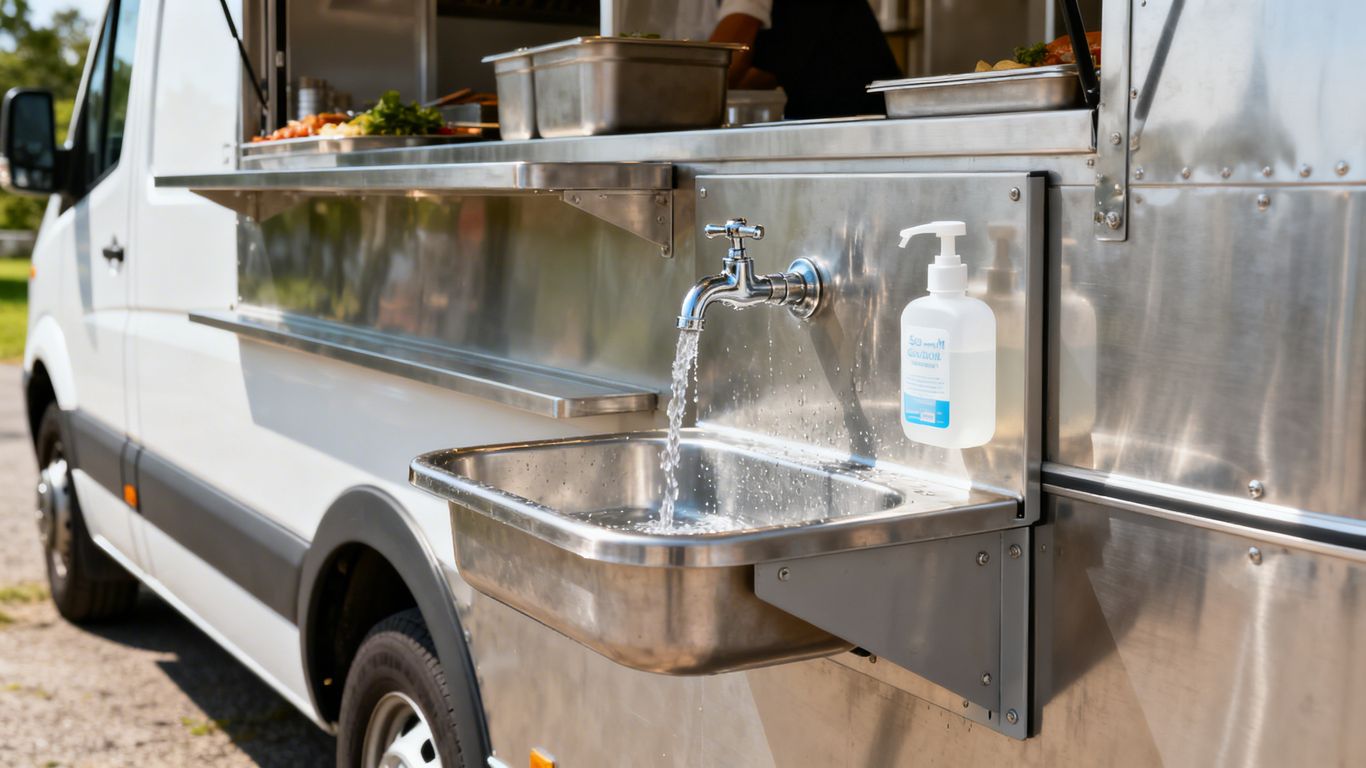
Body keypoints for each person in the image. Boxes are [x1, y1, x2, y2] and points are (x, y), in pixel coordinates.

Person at [679, 0, 902, 119]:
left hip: (860, 124)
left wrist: (673, 98)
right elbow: (763, 71)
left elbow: (726, 60)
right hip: (844, 119)